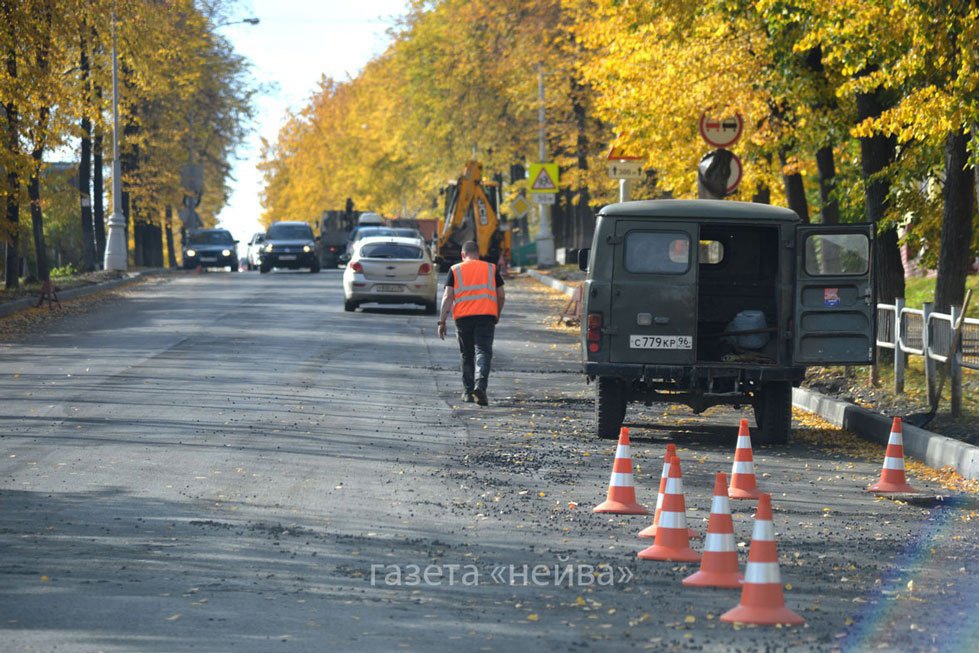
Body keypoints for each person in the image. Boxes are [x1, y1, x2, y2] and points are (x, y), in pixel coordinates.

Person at [437, 240, 505, 406]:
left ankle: (468, 392)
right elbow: (501, 295)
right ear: (478, 254)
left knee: (467, 354)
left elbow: (447, 297)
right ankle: (480, 386)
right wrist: (496, 314)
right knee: (483, 351)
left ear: (462, 254)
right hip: (486, 317)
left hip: (463, 318)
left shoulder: (455, 269)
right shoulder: (491, 268)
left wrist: (442, 321)